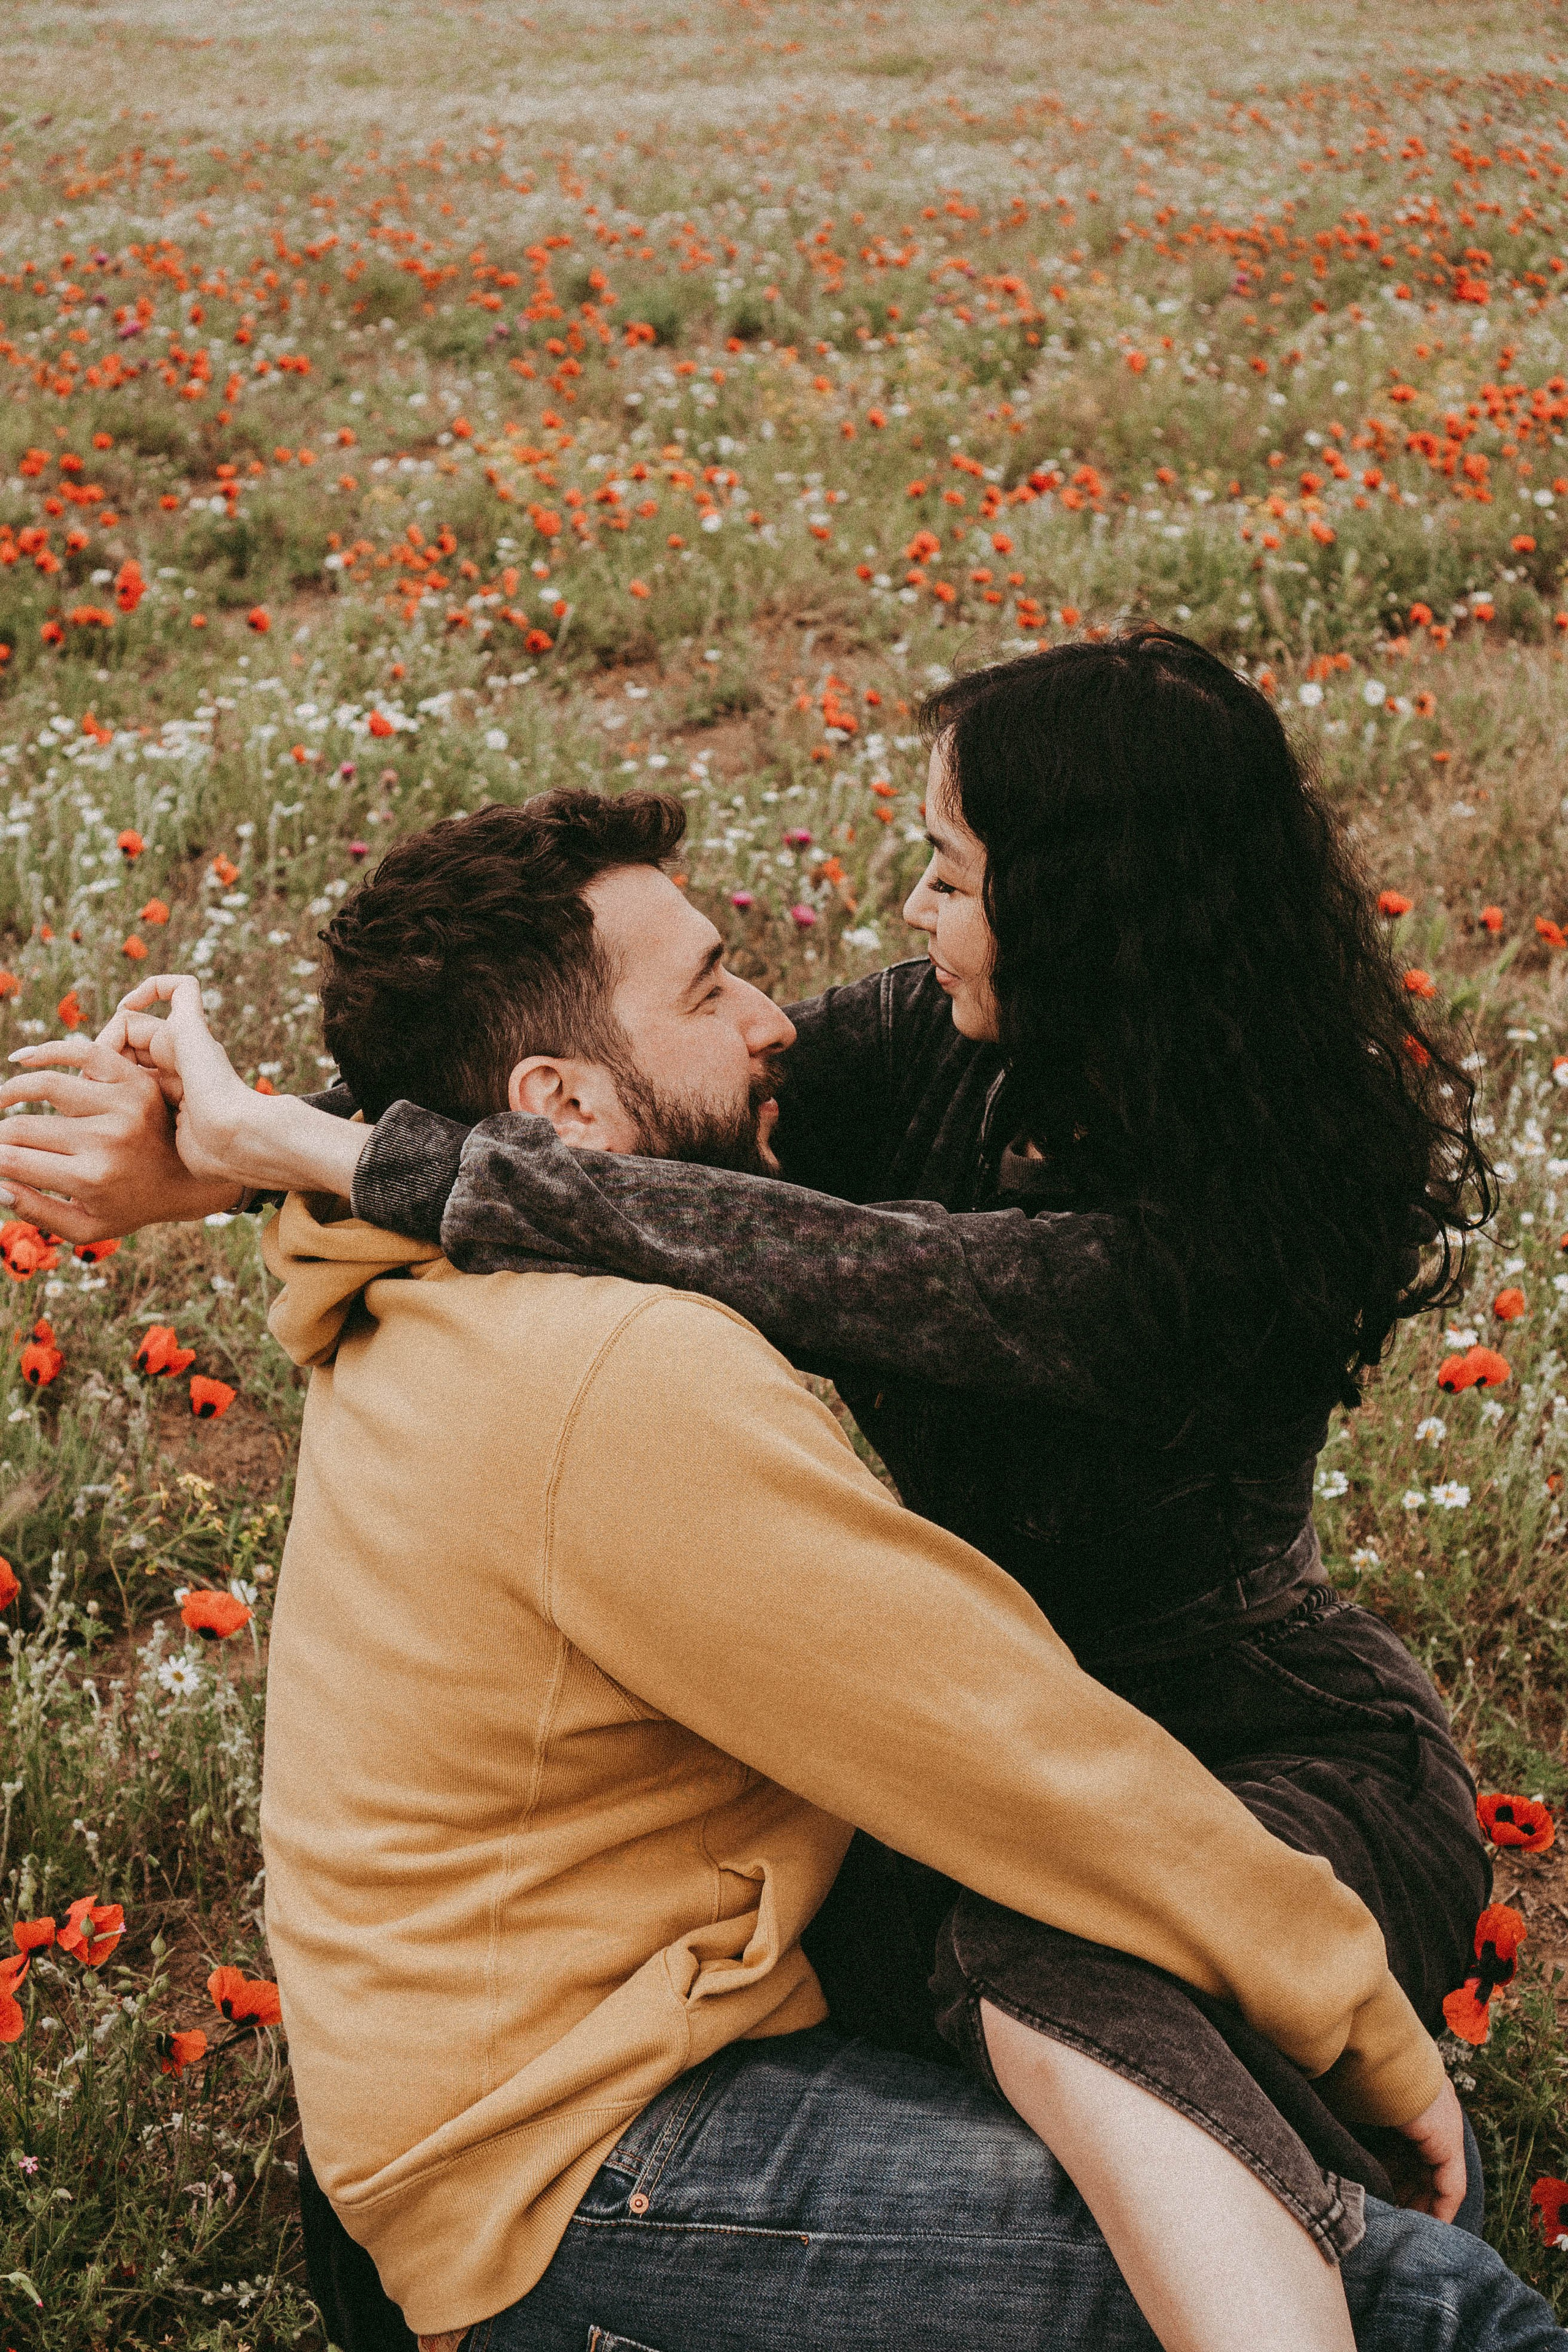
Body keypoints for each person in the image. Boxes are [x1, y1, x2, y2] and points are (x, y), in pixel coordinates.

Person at [0, 771, 1558, 2352]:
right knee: (1405, 2299)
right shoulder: (611, 1376)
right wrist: (1365, 2016)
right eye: (712, 985)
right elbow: (1007, 1741)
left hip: (535, 2102)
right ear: (562, 1110)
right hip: (586, 2177)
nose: (773, 1021)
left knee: (1268, 2186)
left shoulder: (439, 1270)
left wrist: (252, 1145)